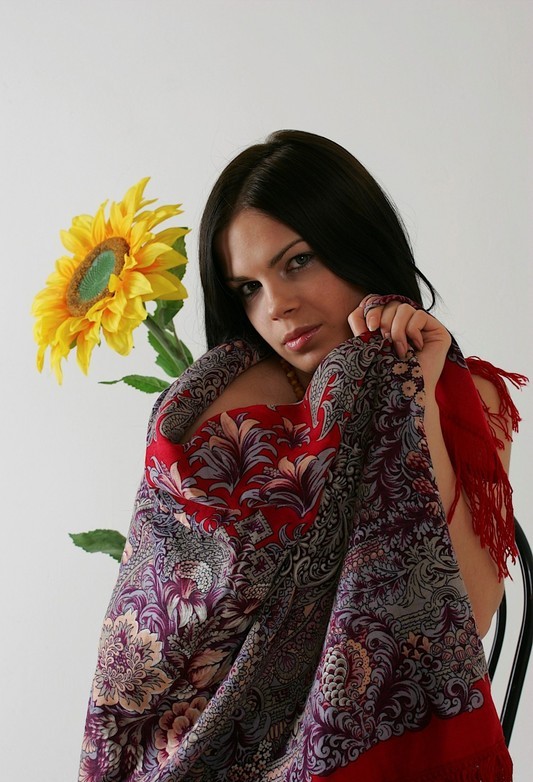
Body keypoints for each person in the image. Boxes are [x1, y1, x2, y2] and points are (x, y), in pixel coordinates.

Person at [79, 131, 524, 782]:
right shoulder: (220, 402)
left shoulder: (462, 392)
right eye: (247, 287)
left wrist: (412, 397)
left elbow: (467, 615)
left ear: (356, 239)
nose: (276, 306)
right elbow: (166, 636)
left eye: (297, 262)